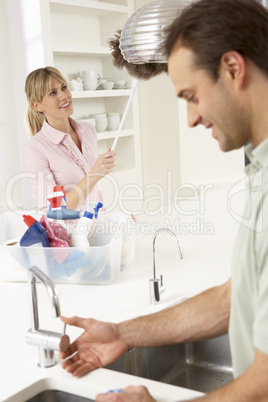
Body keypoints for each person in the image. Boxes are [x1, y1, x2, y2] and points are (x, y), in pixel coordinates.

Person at [60, 0, 268, 400]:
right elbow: (235, 296)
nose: (190, 117)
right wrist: (122, 333)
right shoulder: (258, 166)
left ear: (232, 68)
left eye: (191, 95)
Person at [24, 67, 116, 211]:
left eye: (64, 87)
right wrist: (94, 175)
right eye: (53, 93)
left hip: (95, 227)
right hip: (66, 232)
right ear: (37, 105)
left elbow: (94, 195)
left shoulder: (88, 130)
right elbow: (53, 210)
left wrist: (113, 220)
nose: (63, 95)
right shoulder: (35, 149)